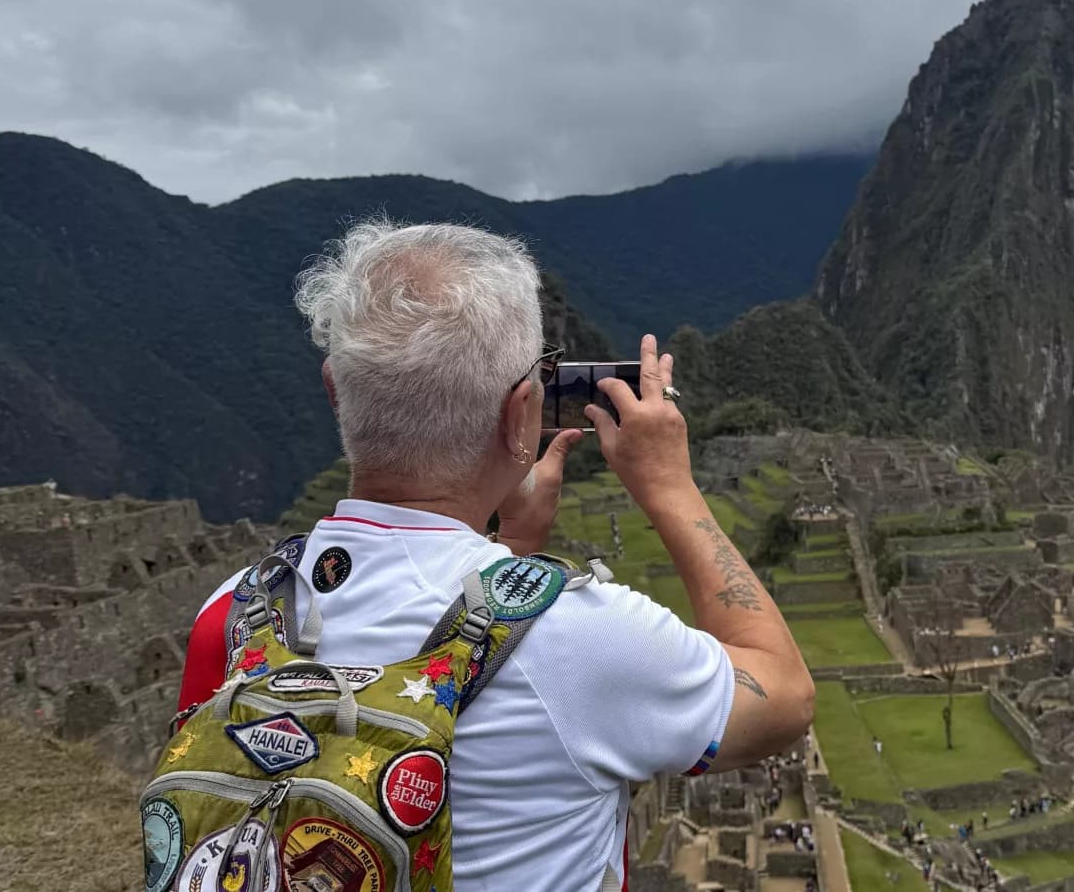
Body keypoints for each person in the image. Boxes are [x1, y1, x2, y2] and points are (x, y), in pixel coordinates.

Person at [172, 222, 815, 891]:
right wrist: (671, 488)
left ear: (336, 389)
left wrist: (511, 554)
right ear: (522, 414)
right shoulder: (582, 637)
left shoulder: (235, 613)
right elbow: (786, 698)